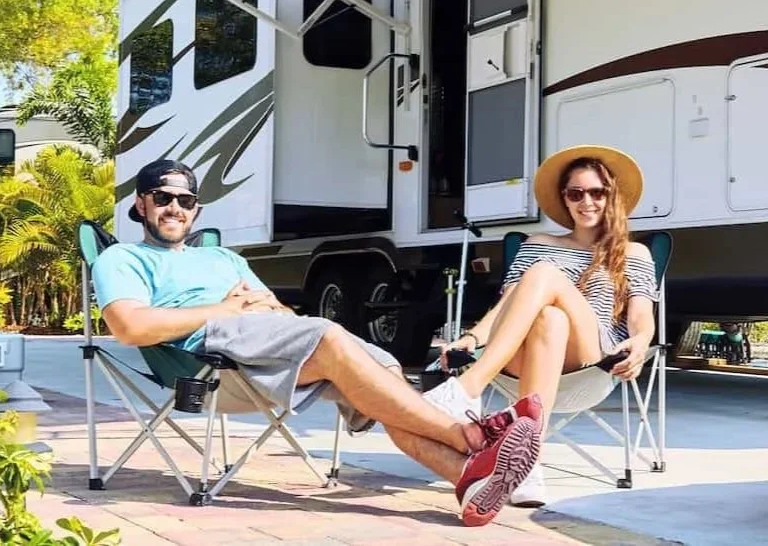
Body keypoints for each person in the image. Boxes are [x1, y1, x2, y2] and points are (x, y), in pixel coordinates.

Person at [91, 159, 544, 527]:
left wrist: (268, 312)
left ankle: (467, 476)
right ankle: (470, 435)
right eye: (163, 198)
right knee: (328, 335)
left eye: (185, 200)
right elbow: (129, 328)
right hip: (206, 362)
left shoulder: (222, 257)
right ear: (141, 204)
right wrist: (225, 310)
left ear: (197, 210)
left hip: (264, 349)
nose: (175, 208)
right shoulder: (122, 257)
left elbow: (280, 316)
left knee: (381, 371)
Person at [424, 145, 658, 507]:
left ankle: (465, 390)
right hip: (526, 355)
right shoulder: (538, 244)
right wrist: (471, 337)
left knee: (546, 274)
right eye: (575, 193)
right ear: (564, 199)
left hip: (591, 357)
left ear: (611, 197)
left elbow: (641, 314)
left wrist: (641, 342)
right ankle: (527, 465)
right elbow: (508, 306)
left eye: (597, 192)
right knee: (549, 317)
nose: (587, 202)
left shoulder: (633, 253)